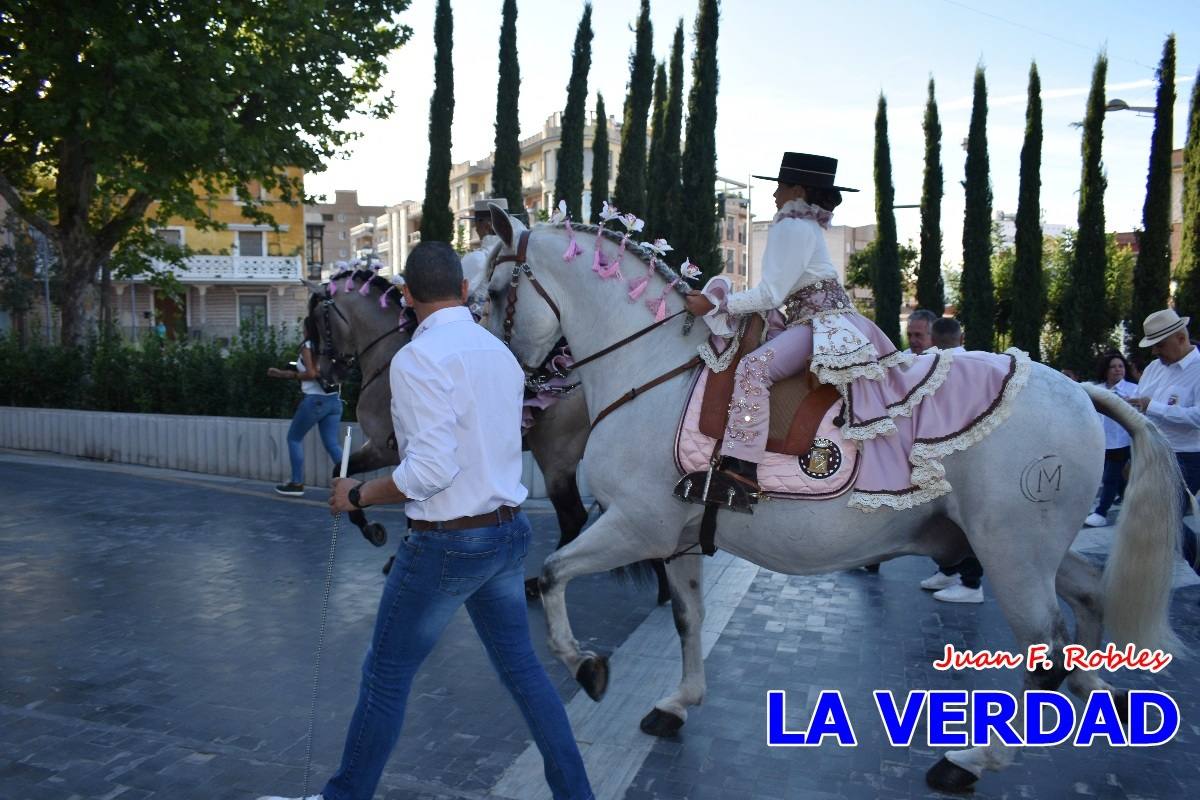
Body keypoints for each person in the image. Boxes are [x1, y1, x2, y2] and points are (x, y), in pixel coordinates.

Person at [257, 241, 593, 800]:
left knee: (385, 677)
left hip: (447, 545)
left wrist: (359, 494)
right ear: (463, 290)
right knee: (525, 675)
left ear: (407, 297)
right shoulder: (500, 354)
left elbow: (431, 471)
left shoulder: (417, 358)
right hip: (507, 534)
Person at [915, 315, 985, 603]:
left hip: (947, 454)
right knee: (951, 519)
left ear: (931, 338)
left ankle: (971, 583)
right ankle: (950, 571)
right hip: (967, 453)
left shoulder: (926, 365)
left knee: (957, 520)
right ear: (962, 338)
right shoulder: (980, 364)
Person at [1128, 309, 1200, 576]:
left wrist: (1153, 407)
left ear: (1181, 338)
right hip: (1150, 451)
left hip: (1186, 457)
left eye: (1159, 345)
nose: (1155, 351)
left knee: (1165, 523)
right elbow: (1139, 401)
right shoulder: (1153, 368)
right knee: (1155, 521)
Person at [267, 316, 344, 497]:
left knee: (294, 439)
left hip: (315, 400)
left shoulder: (309, 345)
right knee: (332, 444)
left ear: (308, 329)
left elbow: (311, 373)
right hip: (335, 400)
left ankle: (297, 483)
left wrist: (283, 374)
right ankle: (349, 484)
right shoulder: (332, 346)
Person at [1084, 352, 1137, 527]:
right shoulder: (1097, 389)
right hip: (1101, 440)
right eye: (1113, 367)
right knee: (1117, 477)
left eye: (1120, 366)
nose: (1117, 370)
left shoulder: (1133, 389)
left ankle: (1101, 513)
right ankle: (1127, 500)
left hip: (1122, 440)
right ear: (1106, 370)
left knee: (1110, 477)